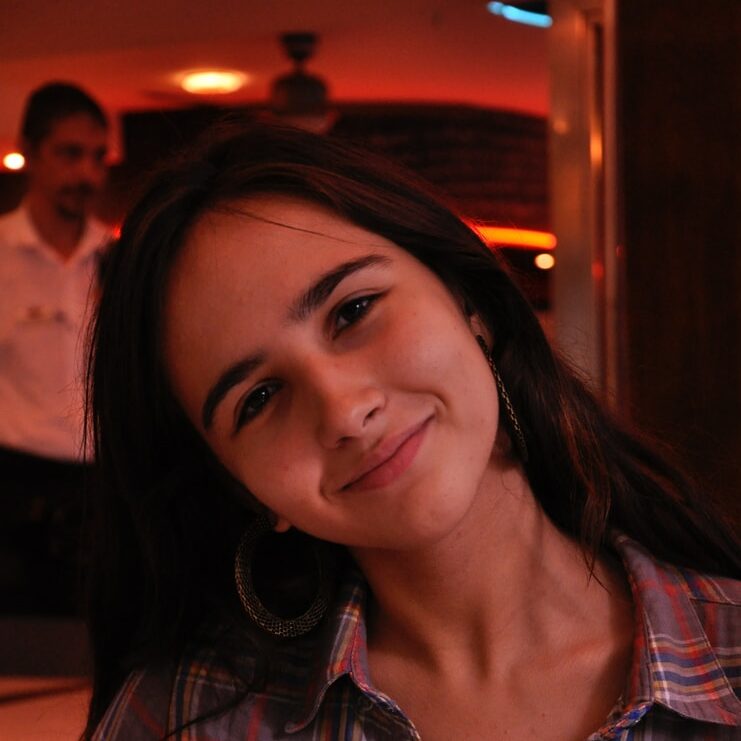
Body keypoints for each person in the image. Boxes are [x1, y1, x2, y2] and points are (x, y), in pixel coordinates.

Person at [84, 123, 740, 740]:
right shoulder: (187, 715)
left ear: (467, 302)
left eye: (354, 310)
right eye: (258, 398)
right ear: (240, 483)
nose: (342, 411)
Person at [0, 81, 111, 614]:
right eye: (70, 154)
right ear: (31, 155)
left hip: (103, 492)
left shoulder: (117, 259)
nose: (87, 174)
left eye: (97, 157)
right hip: (15, 491)